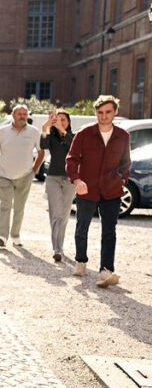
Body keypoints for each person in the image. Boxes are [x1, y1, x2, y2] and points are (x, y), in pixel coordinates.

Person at [66, 95, 131, 287]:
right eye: (100, 112)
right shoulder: (84, 134)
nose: (104, 116)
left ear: (115, 112)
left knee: (109, 231)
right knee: (82, 227)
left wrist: (122, 179)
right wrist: (76, 180)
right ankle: (81, 260)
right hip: (87, 189)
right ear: (96, 113)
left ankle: (106, 270)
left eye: (108, 112)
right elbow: (71, 159)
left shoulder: (123, 135)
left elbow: (126, 162)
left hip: (112, 190)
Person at [0, 104, 44, 247]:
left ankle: (16, 235)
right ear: (13, 115)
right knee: (5, 206)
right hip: (4, 174)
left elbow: (41, 151)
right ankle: (2, 236)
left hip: (25, 176)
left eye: (25, 114)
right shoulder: (2, 131)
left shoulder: (34, 132)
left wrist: (34, 169)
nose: (23, 116)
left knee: (19, 207)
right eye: (20, 114)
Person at [40, 109, 75, 262]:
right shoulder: (52, 138)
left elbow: (73, 147)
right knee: (56, 213)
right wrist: (46, 126)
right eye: (57, 120)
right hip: (53, 178)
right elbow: (43, 144)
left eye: (64, 120)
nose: (61, 122)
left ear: (68, 122)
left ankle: (59, 245)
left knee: (65, 214)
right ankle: (57, 249)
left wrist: (61, 129)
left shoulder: (74, 137)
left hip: (70, 179)